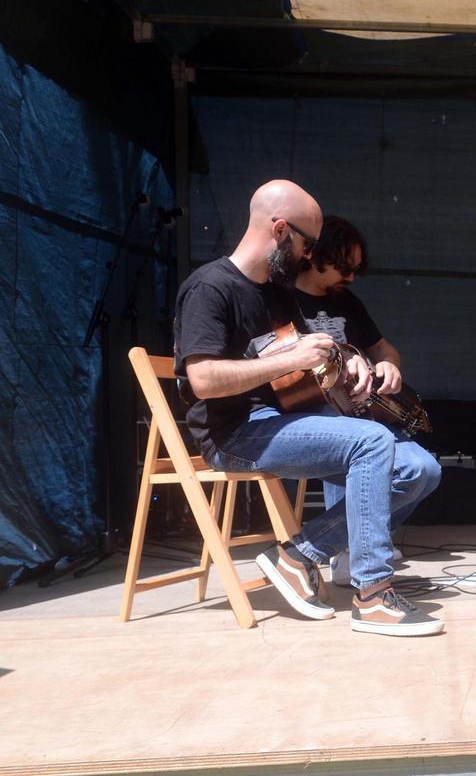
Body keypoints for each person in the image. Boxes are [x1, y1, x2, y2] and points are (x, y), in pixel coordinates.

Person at [173, 180, 442, 637]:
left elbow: (305, 357)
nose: (309, 255)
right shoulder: (209, 287)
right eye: (307, 243)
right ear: (280, 230)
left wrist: (347, 358)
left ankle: (299, 555)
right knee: (373, 442)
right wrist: (293, 358)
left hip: (286, 418)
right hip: (234, 433)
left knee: (417, 468)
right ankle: (374, 595)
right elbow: (202, 380)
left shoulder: (277, 292)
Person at [291, 215, 442, 586]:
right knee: (346, 431)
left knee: (427, 470)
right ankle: (347, 549)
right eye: (344, 266)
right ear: (315, 255)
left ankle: (352, 538)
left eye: (356, 269)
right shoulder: (281, 300)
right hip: (307, 413)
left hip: (360, 411)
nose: (352, 277)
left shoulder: (348, 301)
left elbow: (384, 349)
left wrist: (389, 366)